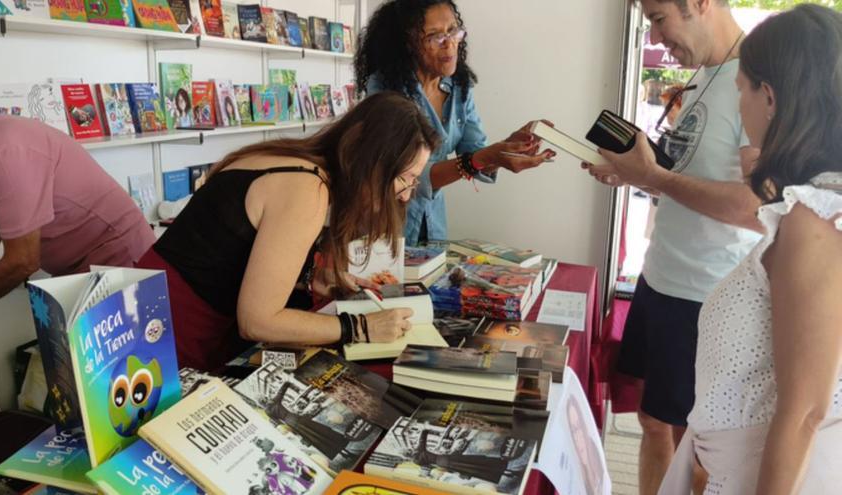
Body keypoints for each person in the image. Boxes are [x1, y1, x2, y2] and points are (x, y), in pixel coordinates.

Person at [658, 5, 842, 493]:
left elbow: (804, 411)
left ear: (771, 97)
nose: (740, 104)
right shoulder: (814, 205)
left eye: (741, 89)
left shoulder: (817, 220)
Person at [582, 0, 764, 493]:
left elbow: (757, 205)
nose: (657, 38)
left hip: (706, 294)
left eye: (659, 18)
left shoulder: (757, 78)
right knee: (652, 421)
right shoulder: (707, 73)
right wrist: (638, 175)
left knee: (698, 445)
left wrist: (655, 175)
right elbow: (691, 181)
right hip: (664, 276)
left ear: (700, 4)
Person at [136, 92, 440, 371]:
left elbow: (230, 258)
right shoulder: (306, 188)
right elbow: (257, 321)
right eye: (405, 178)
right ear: (371, 161)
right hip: (167, 337)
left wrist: (310, 278)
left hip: (151, 311)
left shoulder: (296, 162)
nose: (405, 196)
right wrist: (361, 327)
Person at [355, 0, 554, 245]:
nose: (450, 44)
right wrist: (482, 159)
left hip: (433, 221)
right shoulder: (386, 87)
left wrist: (507, 147)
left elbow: (475, 152)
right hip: (386, 221)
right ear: (408, 43)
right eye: (435, 36)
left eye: (453, 31)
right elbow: (402, 174)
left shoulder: (460, 87)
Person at [0, 112, 154, 319]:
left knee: (130, 350)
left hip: (118, 260)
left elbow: (23, 259)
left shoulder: (3, 151)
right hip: (78, 271)